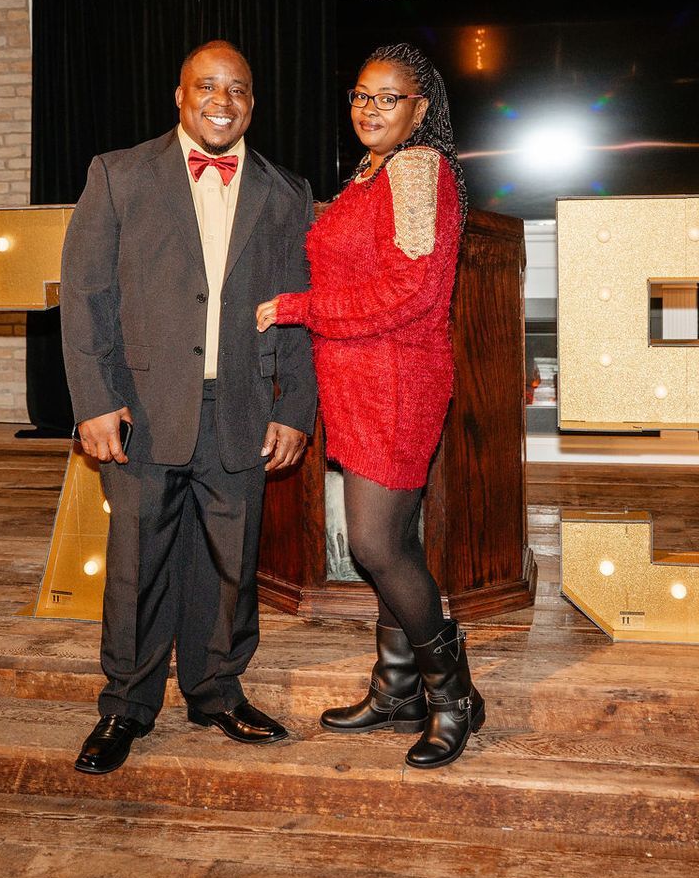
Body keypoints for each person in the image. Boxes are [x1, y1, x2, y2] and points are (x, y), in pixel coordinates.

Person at [60, 40, 315, 776]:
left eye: (238, 89)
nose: (222, 101)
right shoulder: (118, 175)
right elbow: (85, 299)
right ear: (180, 95)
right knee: (138, 561)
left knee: (230, 563)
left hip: (242, 405)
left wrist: (295, 406)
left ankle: (217, 691)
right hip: (141, 406)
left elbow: (302, 310)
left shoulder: (285, 191)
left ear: (252, 103)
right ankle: (126, 705)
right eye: (207, 85)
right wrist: (95, 401)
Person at [256, 42, 481, 769]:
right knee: (394, 546)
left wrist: (296, 307)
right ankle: (397, 688)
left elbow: (408, 294)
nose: (370, 108)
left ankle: (455, 697)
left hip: (395, 379)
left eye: (389, 98)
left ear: (421, 108)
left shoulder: (419, 169)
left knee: (376, 545)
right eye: (361, 93)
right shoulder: (370, 172)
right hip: (359, 378)